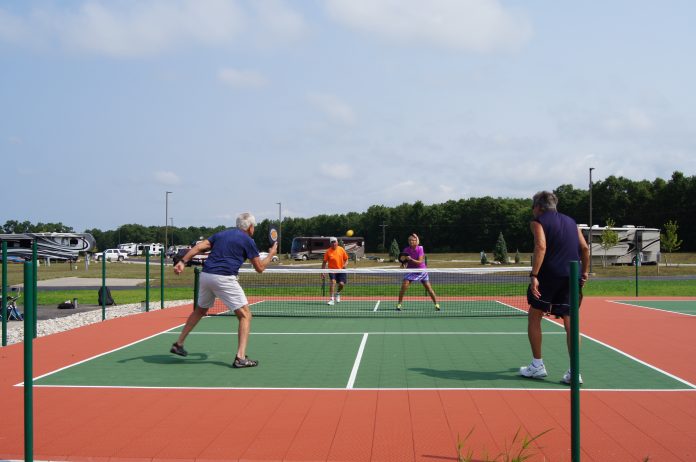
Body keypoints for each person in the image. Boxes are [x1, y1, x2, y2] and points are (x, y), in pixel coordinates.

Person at [170, 212, 277, 368]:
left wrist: (182, 261)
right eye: (254, 227)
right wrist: (271, 254)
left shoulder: (222, 234)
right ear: (250, 227)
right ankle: (240, 358)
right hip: (224, 278)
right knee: (245, 315)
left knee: (200, 310)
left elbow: (199, 247)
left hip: (206, 276)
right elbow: (259, 268)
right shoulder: (248, 240)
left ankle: (178, 343)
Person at [520, 191, 590, 384]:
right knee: (571, 323)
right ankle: (574, 372)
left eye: (533, 207)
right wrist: (584, 272)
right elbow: (584, 248)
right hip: (572, 276)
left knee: (534, 316)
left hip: (548, 276)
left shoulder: (538, 222)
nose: (532, 210)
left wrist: (534, 275)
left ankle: (537, 366)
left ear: (539, 207)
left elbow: (540, 246)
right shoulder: (571, 222)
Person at [396, 233, 440, 311]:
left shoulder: (420, 249)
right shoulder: (406, 250)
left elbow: (420, 262)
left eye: (412, 240)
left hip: (421, 271)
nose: (410, 241)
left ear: (416, 241)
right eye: (409, 240)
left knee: (429, 289)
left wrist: (411, 259)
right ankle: (399, 304)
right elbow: (405, 261)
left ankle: (436, 304)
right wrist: (403, 264)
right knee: (403, 288)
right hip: (411, 271)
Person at [321, 237, 348, 305]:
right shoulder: (328, 252)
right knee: (333, 282)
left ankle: (338, 293)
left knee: (341, 284)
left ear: (337, 242)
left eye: (335, 242)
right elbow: (324, 262)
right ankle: (332, 299)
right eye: (332, 242)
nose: (334, 243)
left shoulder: (341, 249)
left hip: (341, 270)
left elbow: (346, 259)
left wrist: (345, 265)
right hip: (332, 270)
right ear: (330, 243)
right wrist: (322, 272)